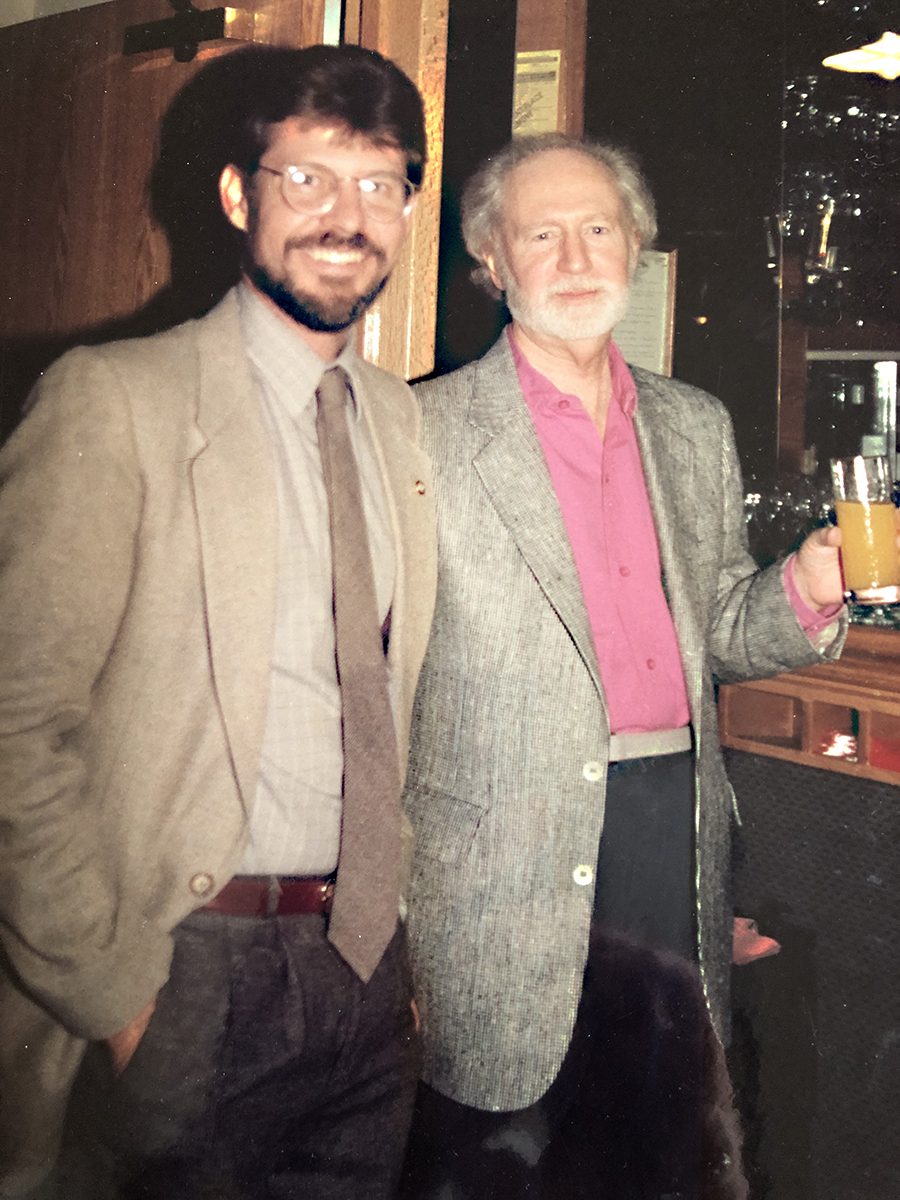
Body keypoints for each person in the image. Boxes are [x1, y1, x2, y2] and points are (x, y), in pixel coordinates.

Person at [0, 43, 435, 1200]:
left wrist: (397, 950)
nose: (346, 217)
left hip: (366, 972)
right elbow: (13, 724)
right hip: (185, 970)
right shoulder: (115, 401)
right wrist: (116, 997)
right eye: (308, 179)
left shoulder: (399, 424)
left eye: (379, 184)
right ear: (240, 195)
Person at [399, 133, 848, 1198]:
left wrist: (809, 585)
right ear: (492, 260)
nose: (575, 257)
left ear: (637, 245)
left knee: (660, 1154)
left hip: (669, 835)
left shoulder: (693, 425)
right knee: (498, 1158)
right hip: (492, 865)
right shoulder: (413, 430)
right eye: (540, 235)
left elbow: (720, 630)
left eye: (599, 228)